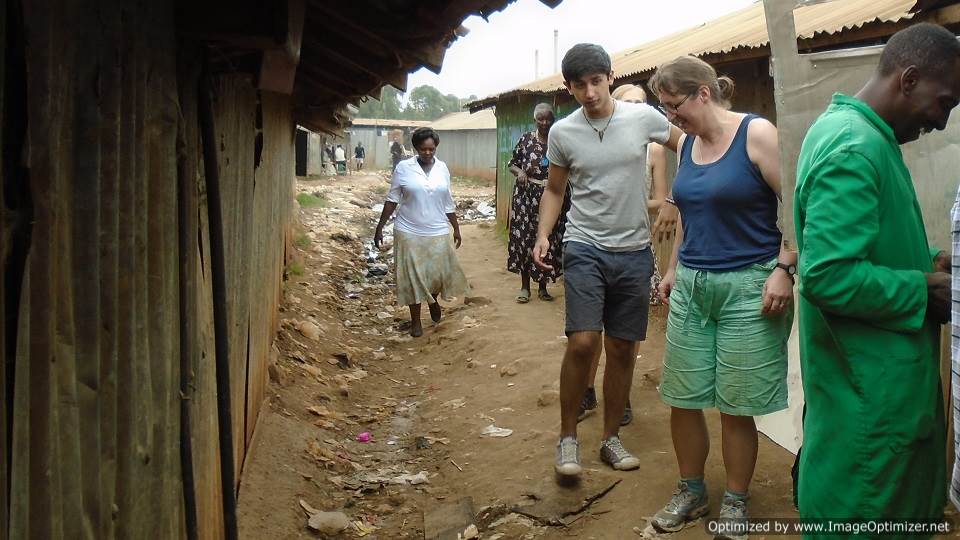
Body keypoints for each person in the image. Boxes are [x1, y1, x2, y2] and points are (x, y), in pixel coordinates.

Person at [795, 22, 959, 534]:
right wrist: (921, 290)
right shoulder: (854, 146)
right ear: (908, 79)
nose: (942, 119)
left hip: (877, 396)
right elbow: (828, 275)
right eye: (944, 101)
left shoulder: (865, 136)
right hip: (870, 416)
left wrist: (929, 260)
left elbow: (865, 243)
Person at [647, 56, 794, 535]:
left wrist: (784, 268)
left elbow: (796, 208)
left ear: (703, 93)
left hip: (750, 288)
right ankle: (691, 491)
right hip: (693, 283)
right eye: (665, 109)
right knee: (683, 397)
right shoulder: (687, 143)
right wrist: (672, 269)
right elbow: (690, 209)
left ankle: (735, 500)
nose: (671, 118)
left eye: (674, 106)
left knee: (736, 403)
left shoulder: (757, 134)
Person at [533, 43, 680, 478]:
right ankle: (567, 439)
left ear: (610, 76)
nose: (590, 92)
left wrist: (674, 198)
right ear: (569, 87)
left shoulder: (644, 118)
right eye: (580, 85)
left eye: (596, 81)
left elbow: (690, 144)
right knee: (582, 342)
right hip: (585, 246)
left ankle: (610, 438)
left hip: (634, 251)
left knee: (621, 348)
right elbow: (555, 190)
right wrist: (543, 234)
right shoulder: (563, 132)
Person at [578, 83, 671, 427]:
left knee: (624, 334)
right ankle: (587, 388)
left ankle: (622, 394)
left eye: (641, 104)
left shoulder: (655, 151)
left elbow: (661, 199)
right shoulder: (595, 141)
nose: (634, 109)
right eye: (627, 103)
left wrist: (625, 199)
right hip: (594, 243)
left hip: (635, 244)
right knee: (591, 329)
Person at [374, 127, 470, 338]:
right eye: (423, 149)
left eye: (431, 149)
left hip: (437, 229)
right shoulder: (403, 168)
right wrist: (380, 227)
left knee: (437, 274)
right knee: (412, 277)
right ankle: (416, 320)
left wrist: (456, 227)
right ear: (416, 148)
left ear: (436, 148)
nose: (427, 153)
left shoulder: (443, 168)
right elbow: (392, 199)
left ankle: (433, 299)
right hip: (408, 230)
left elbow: (447, 201)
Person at [507, 103, 566, 303]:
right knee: (524, 239)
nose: (544, 122)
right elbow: (512, 164)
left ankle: (542, 287)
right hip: (526, 197)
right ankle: (525, 287)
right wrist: (520, 172)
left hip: (551, 196)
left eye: (548, 119)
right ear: (535, 120)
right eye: (540, 119)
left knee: (547, 239)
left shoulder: (558, 141)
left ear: (553, 120)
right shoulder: (526, 140)